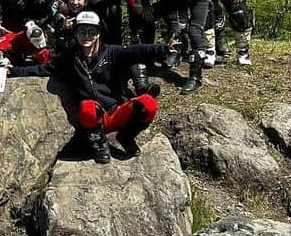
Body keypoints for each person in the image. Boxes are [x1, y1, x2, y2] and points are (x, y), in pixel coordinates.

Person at [10, 11, 176, 163]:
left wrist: (164, 48)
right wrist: (12, 71)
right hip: (95, 119)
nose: (86, 36)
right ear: (75, 33)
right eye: (82, 31)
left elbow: (136, 51)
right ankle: (100, 145)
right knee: (87, 107)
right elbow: (42, 69)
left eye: (91, 32)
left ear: (98, 34)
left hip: (118, 111)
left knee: (149, 104)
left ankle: (126, 136)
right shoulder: (69, 58)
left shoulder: (111, 52)